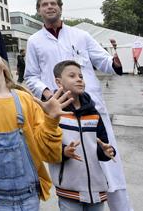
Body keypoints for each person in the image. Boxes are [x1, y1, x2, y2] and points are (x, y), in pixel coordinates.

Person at [24, 0, 131, 211]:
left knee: (108, 161)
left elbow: (103, 61)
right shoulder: (34, 41)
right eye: (45, 4)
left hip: (92, 110)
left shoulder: (80, 36)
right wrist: (49, 95)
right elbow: (30, 76)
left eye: (54, 3)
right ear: (39, 11)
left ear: (60, 8)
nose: (50, 7)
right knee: (70, 161)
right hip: (61, 113)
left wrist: (116, 61)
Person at [0, 45, 73, 210]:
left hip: (30, 197)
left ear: (4, 65)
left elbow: (50, 154)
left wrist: (51, 121)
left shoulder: (26, 99)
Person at [50, 60, 116, 210]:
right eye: (72, 76)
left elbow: (102, 145)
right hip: (69, 189)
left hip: (96, 189)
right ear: (59, 82)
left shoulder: (93, 112)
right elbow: (45, 146)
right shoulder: (54, 111)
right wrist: (63, 152)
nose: (79, 79)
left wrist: (106, 152)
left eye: (81, 76)